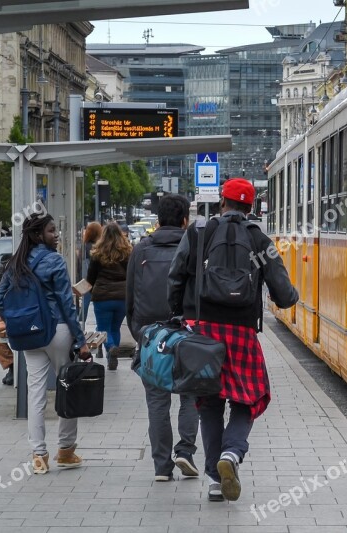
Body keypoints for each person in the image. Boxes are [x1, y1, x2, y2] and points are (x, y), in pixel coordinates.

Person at [168, 178, 299, 502]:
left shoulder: (199, 232)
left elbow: (176, 277)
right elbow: (283, 294)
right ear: (251, 208)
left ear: (222, 203)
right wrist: (291, 297)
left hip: (205, 331)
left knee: (209, 403)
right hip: (242, 333)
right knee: (249, 398)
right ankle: (232, 453)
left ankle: (215, 479)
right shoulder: (259, 238)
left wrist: (177, 314)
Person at [0, 214, 92, 474]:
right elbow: (67, 305)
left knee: (35, 392)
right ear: (38, 235)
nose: (56, 234)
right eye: (51, 230)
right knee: (67, 387)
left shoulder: (16, 263)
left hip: (29, 336)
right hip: (57, 330)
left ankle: (38, 456)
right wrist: (81, 341)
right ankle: (66, 451)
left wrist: (17, 321)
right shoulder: (54, 261)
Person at [127, 194, 200, 482]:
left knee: (157, 402)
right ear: (185, 220)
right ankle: (186, 451)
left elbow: (130, 297)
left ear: (158, 219)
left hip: (151, 335)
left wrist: (139, 333)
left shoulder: (141, 249)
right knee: (190, 396)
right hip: (186, 333)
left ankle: (161, 467)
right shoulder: (194, 247)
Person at [87, 222, 131, 370]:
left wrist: (89, 290)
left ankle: (111, 348)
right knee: (115, 328)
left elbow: (90, 278)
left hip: (102, 298)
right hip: (122, 297)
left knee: (103, 329)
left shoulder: (97, 253)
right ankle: (113, 355)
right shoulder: (127, 253)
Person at [79, 222, 101, 324]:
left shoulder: (84, 246)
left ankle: (80, 320)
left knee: (85, 301)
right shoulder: (97, 247)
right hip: (95, 279)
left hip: (85, 278)